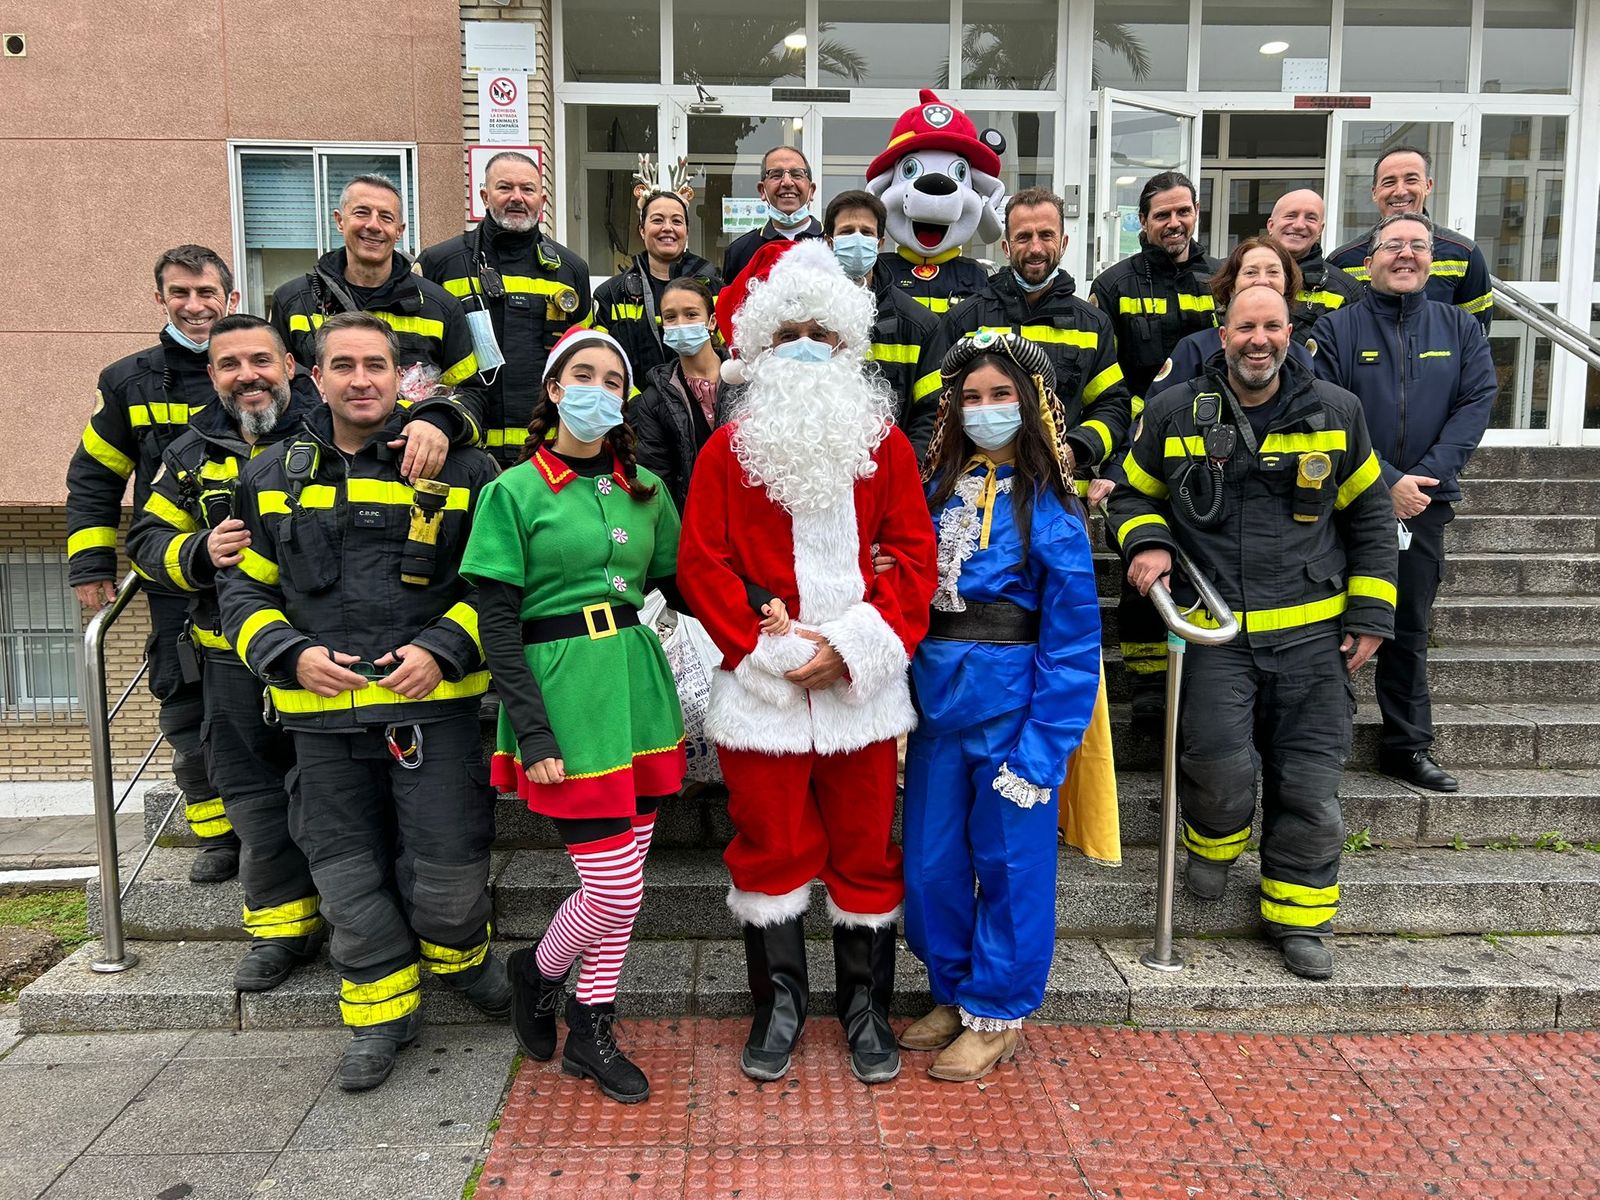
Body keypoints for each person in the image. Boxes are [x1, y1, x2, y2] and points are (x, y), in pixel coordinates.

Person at [217, 313, 504, 1092]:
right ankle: (379, 1018)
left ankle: (462, 962)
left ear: (400, 375)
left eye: (375, 364)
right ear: (315, 379)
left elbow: (498, 584)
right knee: (345, 877)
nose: (360, 378)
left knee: (449, 870)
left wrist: (441, 649)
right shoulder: (271, 475)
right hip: (322, 725)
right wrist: (291, 655)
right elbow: (241, 592)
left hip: (432, 712)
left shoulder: (462, 469)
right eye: (342, 365)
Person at [677, 242, 938, 1086]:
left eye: (819, 334)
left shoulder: (887, 447)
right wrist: (778, 653)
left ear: (846, 345)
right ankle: (779, 1004)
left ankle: (865, 1009)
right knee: (771, 847)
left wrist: (854, 648)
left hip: (861, 693)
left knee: (865, 849)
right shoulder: (726, 451)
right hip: (765, 690)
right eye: (785, 333)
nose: (802, 348)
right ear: (758, 347)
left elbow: (914, 558)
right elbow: (702, 565)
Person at [1108, 287, 1397, 979]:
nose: (1258, 339)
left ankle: (1299, 919)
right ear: (1223, 334)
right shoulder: (1176, 410)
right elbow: (1131, 492)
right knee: (1216, 763)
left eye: (1271, 326)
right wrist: (1148, 541)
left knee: (1309, 784)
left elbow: (1371, 517)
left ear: (1290, 333)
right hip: (1216, 633)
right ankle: (1213, 844)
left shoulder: (1337, 411)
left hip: (1313, 637)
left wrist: (1370, 615)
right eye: (1245, 327)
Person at [460, 328, 687, 1105]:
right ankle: (538, 969)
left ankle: (590, 1027)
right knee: (615, 889)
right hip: (561, 694)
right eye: (582, 376)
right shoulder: (513, 491)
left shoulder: (646, 489)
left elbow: (682, 583)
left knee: (627, 880)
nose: (599, 390)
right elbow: (496, 624)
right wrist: (531, 729)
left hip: (636, 688)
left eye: (613, 380)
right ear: (555, 390)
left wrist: (766, 611)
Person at [899, 331, 1102, 1081]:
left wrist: (1045, 748)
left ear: (1031, 404)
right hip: (935, 710)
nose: (985, 409)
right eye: (972, 397)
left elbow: (1074, 642)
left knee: (1012, 867)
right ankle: (953, 989)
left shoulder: (1051, 505)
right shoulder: (931, 492)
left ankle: (998, 1010)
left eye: (1001, 395)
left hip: (1013, 712)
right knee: (929, 868)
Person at [126, 315, 323, 991]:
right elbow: (145, 543)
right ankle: (282, 931)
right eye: (230, 364)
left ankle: (363, 923)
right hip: (229, 664)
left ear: (290, 366)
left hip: (320, 662)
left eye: (261, 360)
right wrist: (199, 551)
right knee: (255, 801)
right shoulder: (189, 453)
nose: (248, 375)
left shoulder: (333, 434)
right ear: (211, 376)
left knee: (337, 799)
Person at [66, 245, 241, 882]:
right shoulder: (127, 381)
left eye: (206, 292)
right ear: (160, 299)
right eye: (180, 293)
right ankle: (217, 836)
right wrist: (91, 564)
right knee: (185, 704)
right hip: (171, 574)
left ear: (230, 298)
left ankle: (270, 826)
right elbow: (95, 475)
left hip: (255, 570)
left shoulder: (262, 369)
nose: (194, 306)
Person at [1311, 213, 1496, 794]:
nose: (1407, 255)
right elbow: (1324, 409)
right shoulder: (1336, 329)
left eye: (1418, 246)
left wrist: (1422, 481)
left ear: (1431, 262)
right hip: (1347, 502)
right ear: (1369, 263)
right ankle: (1322, 744)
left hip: (1424, 505)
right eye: (1394, 246)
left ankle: (1407, 746)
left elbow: (1476, 402)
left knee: (1408, 627)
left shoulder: (1459, 327)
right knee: (1330, 622)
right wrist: (1386, 480)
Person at [1090, 173, 1220, 725]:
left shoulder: (1220, 280)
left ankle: (1201, 675)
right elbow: (1107, 383)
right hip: (1139, 451)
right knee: (1141, 562)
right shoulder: (1113, 285)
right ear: (1142, 221)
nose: (1174, 223)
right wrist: (1114, 463)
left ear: (1196, 213)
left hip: (1209, 452)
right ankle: (1147, 686)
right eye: (1162, 214)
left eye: (1182, 212)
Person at [272, 173, 485, 445]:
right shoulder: (294, 302)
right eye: (362, 213)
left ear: (399, 230)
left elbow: (472, 392)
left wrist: (438, 421)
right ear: (339, 220)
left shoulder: (439, 307)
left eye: (386, 217)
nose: (373, 225)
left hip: (407, 460)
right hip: (320, 458)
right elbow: (275, 388)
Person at [943, 188, 1134, 486]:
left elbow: (1112, 405)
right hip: (978, 488)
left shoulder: (1092, 325)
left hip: (1060, 488)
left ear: (1064, 243)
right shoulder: (966, 319)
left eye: (1046, 235)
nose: (1035, 248)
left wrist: (1077, 448)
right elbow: (939, 408)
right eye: (1023, 237)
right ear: (1006, 247)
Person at [418, 151, 592, 467]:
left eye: (527, 189)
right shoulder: (440, 263)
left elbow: (585, 361)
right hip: (464, 448)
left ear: (542, 200)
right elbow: (420, 360)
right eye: (504, 188)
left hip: (546, 451)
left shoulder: (571, 270)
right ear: (484, 196)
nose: (517, 198)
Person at [824, 189, 947, 459]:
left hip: (890, 471)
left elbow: (931, 412)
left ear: (880, 243)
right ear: (829, 241)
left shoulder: (919, 325)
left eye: (866, 232)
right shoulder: (805, 316)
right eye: (847, 231)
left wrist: (906, 469)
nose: (857, 239)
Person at [1327, 147, 1493, 331]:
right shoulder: (1342, 261)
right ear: (1374, 192)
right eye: (1389, 182)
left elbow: (1475, 331)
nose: (1400, 191)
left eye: (1411, 180)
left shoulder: (1464, 254)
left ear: (1428, 185)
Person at [1148, 237, 1311, 395]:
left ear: (1286, 285)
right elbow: (1160, 409)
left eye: (1273, 272)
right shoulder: (1194, 350)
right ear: (1231, 286)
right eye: (1251, 272)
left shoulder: (1301, 357)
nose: (1262, 281)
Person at [595, 186, 722, 386]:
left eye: (677, 221)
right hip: (634, 403)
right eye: (657, 220)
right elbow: (600, 361)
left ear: (687, 231)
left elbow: (731, 354)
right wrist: (636, 402)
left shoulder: (715, 290)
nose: (668, 228)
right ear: (642, 230)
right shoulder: (611, 295)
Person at [631, 277, 732, 512]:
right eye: (670, 317)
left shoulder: (746, 380)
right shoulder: (654, 399)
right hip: (689, 517)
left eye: (691, 314)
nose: (680, 324)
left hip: (747, 515)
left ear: (712, 321)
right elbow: (657, 476)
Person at [1264, 189, 1364, 338]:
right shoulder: (1235, 272)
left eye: (1311, 218)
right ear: (1271, 225)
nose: (1299, 225)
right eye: (1291, 215)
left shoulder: (1346, 290)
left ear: (1320, 230)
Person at [720, 146, 823, 283]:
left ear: (811, 190)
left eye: (797, 174)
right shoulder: (739, 251)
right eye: (776, 175)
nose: (787, 182)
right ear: (762, 190)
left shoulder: (832, 243)